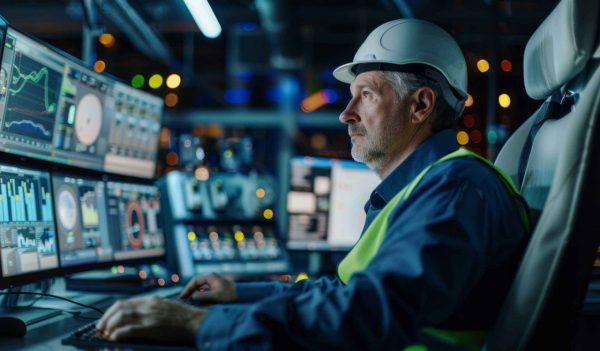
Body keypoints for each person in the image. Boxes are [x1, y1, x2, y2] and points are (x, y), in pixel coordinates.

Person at [96, 19, 529, 350]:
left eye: (368, 94)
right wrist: (239, 292)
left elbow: (366, 315)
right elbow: (347, 291)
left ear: (420, 105)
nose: (346, 113)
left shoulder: (456, 190)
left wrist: (199, 324)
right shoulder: (428, 187)